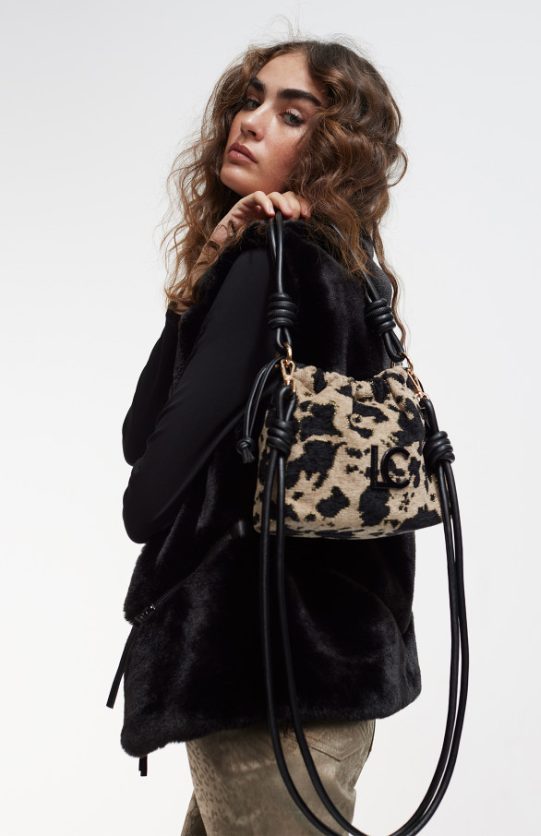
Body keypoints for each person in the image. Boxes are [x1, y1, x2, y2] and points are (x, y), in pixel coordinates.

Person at [111, 34, 421, 836]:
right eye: (250, 101)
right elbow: (142, 434)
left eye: (292, 114)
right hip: (331, 687)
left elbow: (145, 498)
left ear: (333, 151)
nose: (250, 122)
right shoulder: (348, 270)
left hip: (259, 691)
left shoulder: (270, 267)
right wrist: (211, 264)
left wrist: (233, 270)